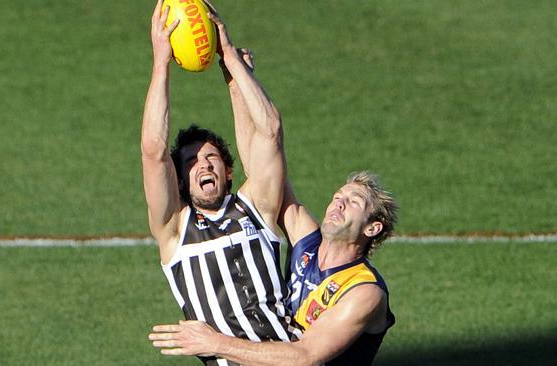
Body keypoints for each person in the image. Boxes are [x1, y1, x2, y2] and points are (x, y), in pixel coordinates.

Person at [147, 7, 399, 360]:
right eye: (338, 195)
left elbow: (306, 357)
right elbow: (261, 155)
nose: (337, 202)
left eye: (353, 201)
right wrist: (233, 77)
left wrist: (213, 343)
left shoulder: (364, 292)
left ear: (373, 227)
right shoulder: (307, 246)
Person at [142, 0, 296, 364]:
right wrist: (161, 63)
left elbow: (269, 130)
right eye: (192, 162)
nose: (203, 164)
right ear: (181, 180)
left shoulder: (255, 206)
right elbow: (153, 151)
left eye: (211, 157)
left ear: (229, 171)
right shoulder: (174, 230)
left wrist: (231, 60)